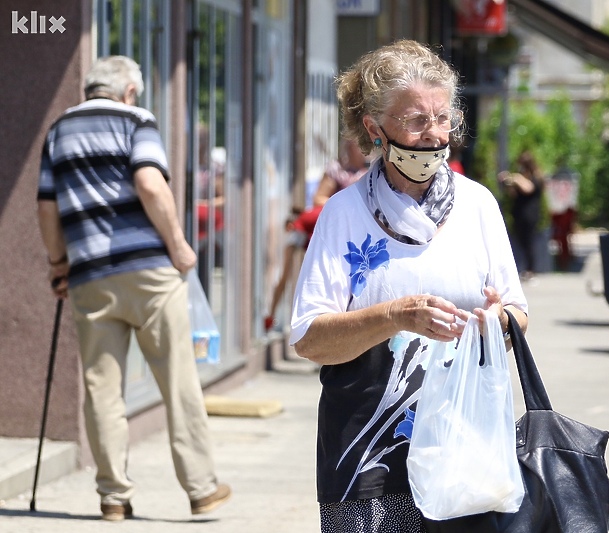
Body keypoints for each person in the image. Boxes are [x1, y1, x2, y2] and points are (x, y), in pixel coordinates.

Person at [288, 40, 528, 532]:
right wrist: (395, 316)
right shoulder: (345, 214)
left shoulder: (478, 205)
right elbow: (310, 338)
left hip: (465, 451)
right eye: (416, 121)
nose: (434, 135)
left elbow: (518, 315)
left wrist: (495, 319)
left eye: (443, 118)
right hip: (369, 458)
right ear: (375, 128)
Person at [36, 56, 231, 521]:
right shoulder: (136, 120)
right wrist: (180, 245)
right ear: (128, 92)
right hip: (148, 272)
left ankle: (113, 497)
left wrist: (59, 263)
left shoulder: (57, 130)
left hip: (89, 275)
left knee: (102, 387)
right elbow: (150, 183)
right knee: (177, 379)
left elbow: (46, 206)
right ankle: (201, 488)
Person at [264, 138, 369, 331]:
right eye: (359, 145)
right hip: (314, 229)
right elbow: (319, 198)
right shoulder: (336, 170)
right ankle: (271, 316)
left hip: (351, 235)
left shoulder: (370, 173)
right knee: (294, 274)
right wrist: (347, 205)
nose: (364, 150)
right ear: (349, 146)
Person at [499, 150, 547, 280]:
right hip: (519, 214)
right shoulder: (521, 177)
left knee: (529, 242)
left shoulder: (535, 178)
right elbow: (514, 195)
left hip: (530, 214)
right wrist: (508, 183)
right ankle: (524, 268)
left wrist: (515, 178)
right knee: (520, 241)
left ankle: (531, 269)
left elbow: (528, 188)